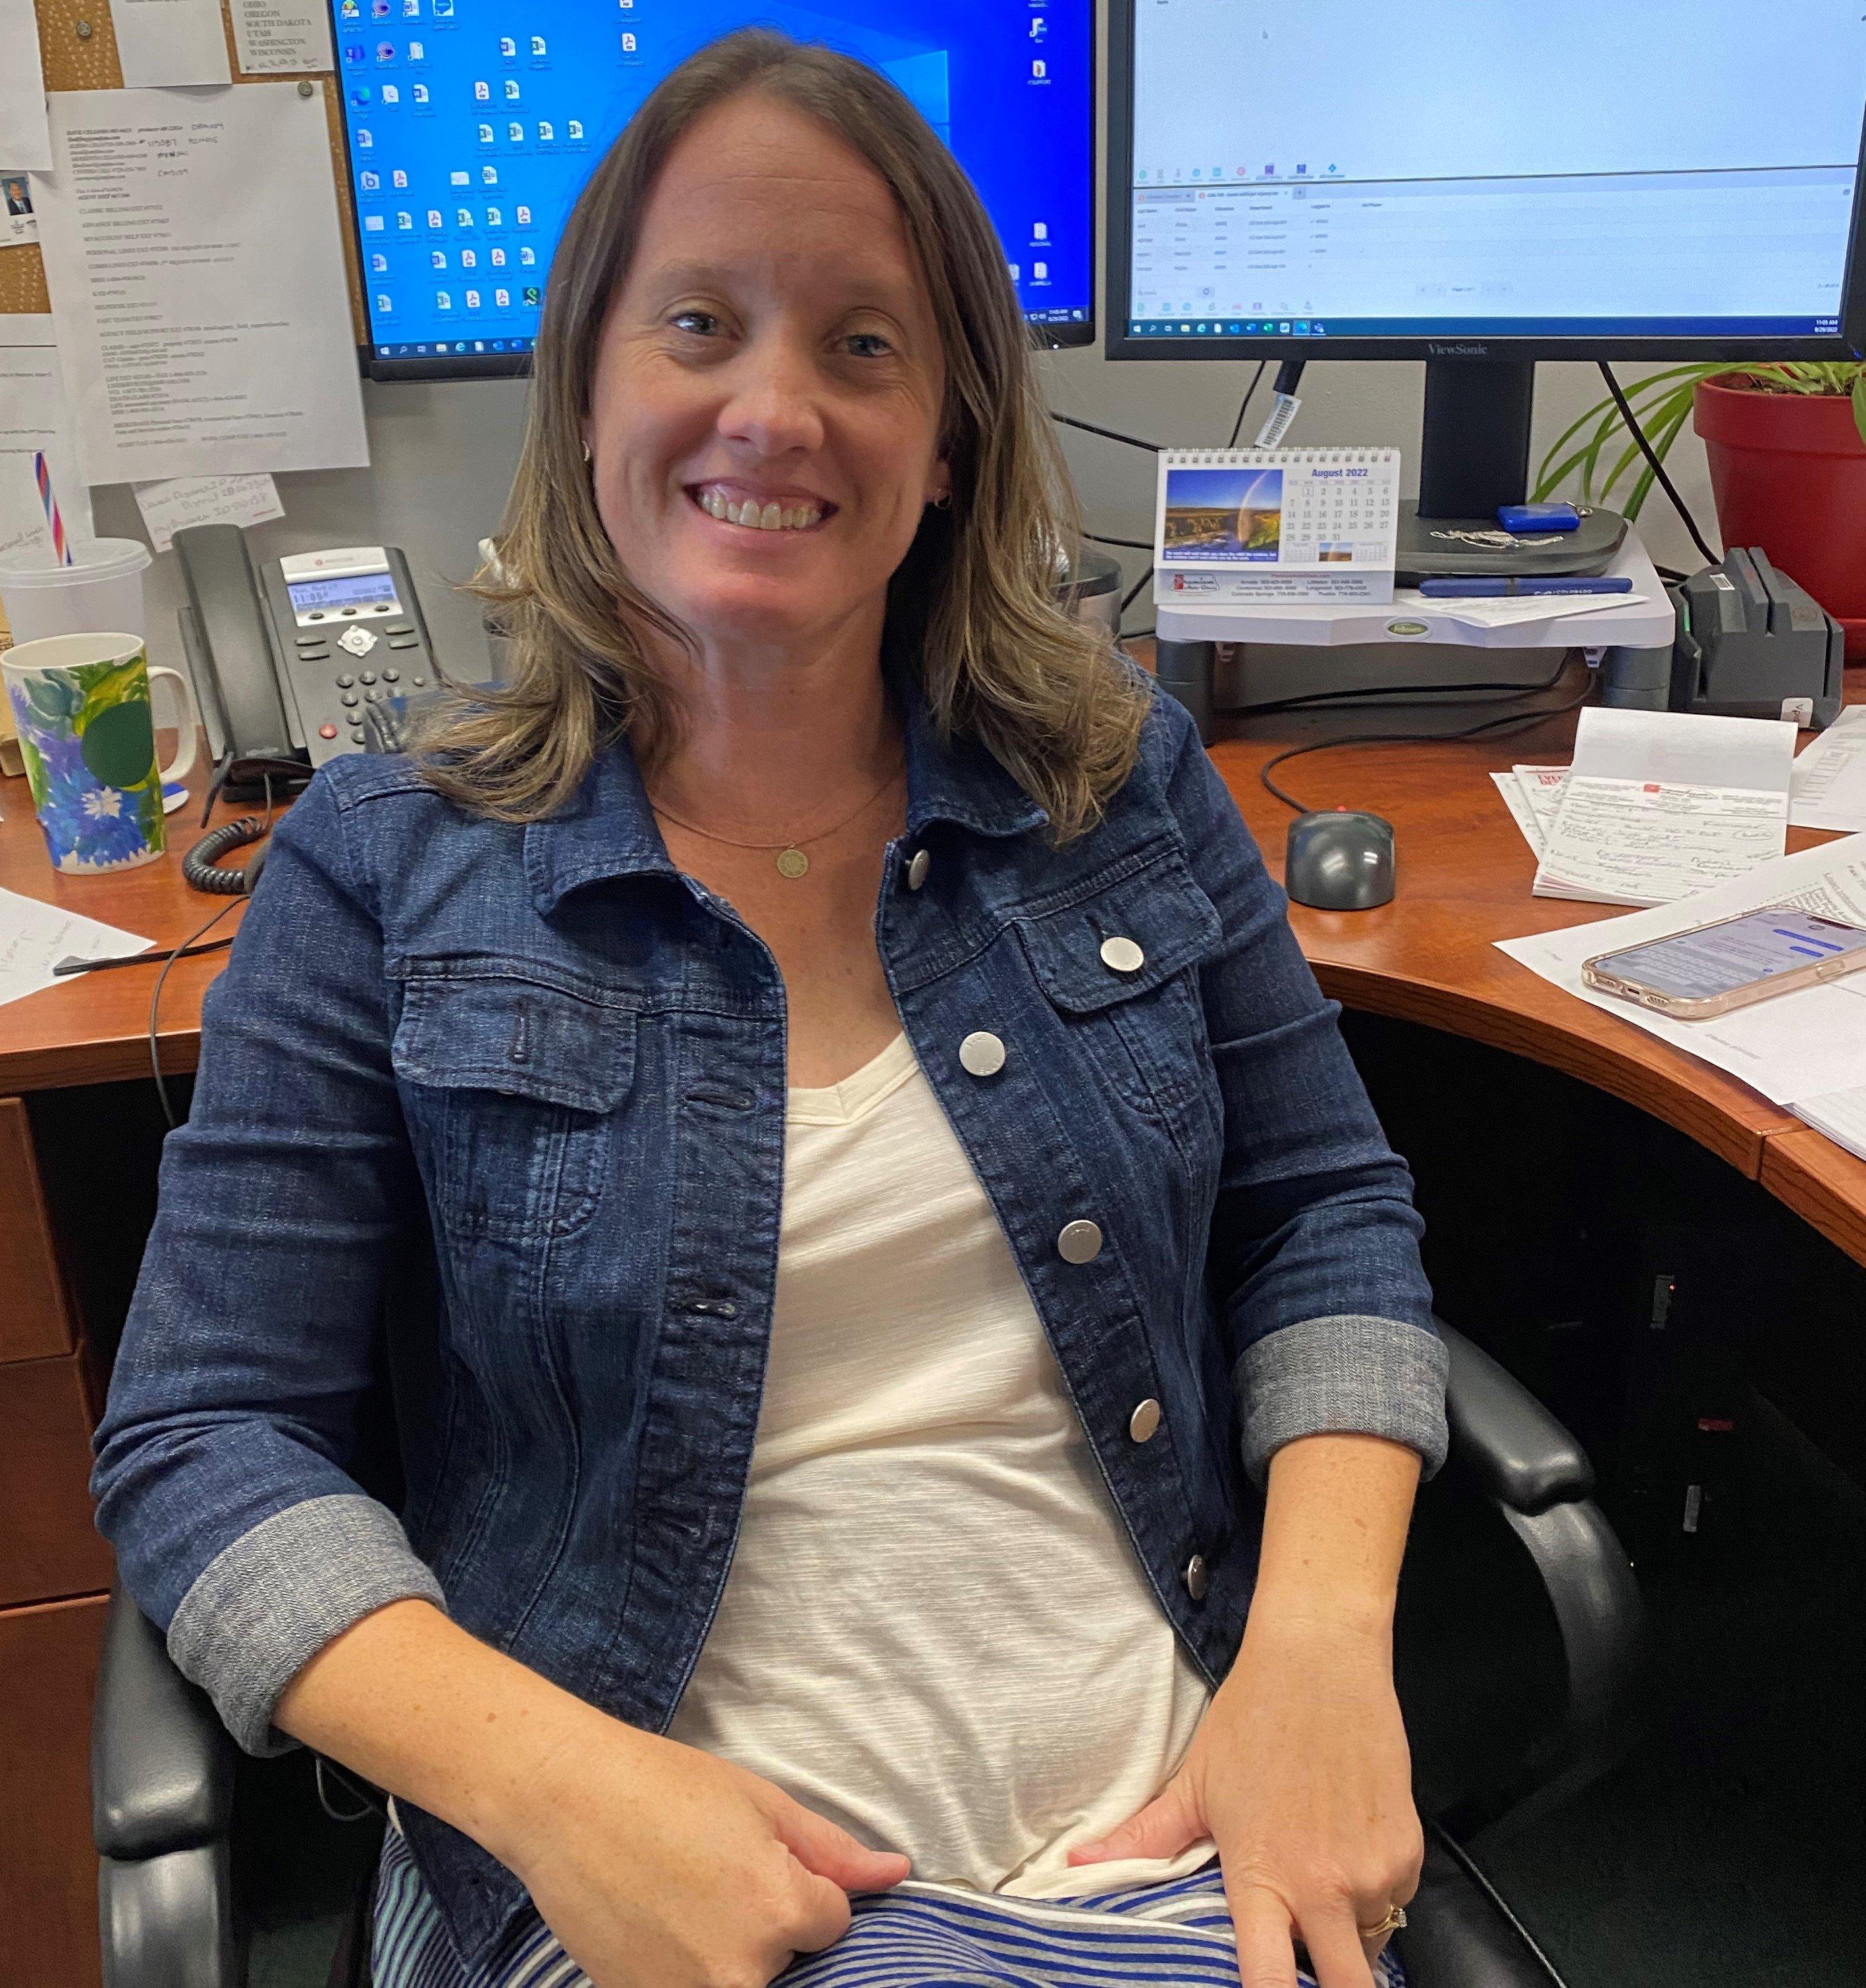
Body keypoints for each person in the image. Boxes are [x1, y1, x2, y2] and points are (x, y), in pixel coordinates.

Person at [92, 30, 1447, 1988]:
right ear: (581, 399)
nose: (776, 408)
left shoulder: (1117, 786)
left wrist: (1320, 1654)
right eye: (701, 324)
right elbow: (207, 1432)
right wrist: (559, 1792)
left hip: (1173, 1828)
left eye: (865, 347)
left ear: (953, 436)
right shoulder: (385, 864)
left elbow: (1327, 1222)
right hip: (677, 1872)